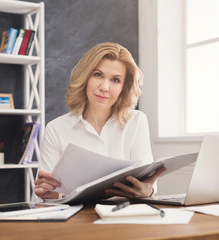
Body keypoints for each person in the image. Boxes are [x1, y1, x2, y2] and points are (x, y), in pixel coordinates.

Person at [34, 42, 166, 200]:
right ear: (85, 77)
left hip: (123, 216)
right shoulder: (56, 129)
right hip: (76, 219)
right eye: (98, 75)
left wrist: (147, 191)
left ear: (124, 86)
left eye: (115, 80)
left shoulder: (137, 121)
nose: (104, 87)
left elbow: (147, 185)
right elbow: (50, 197)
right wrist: (49, 194)